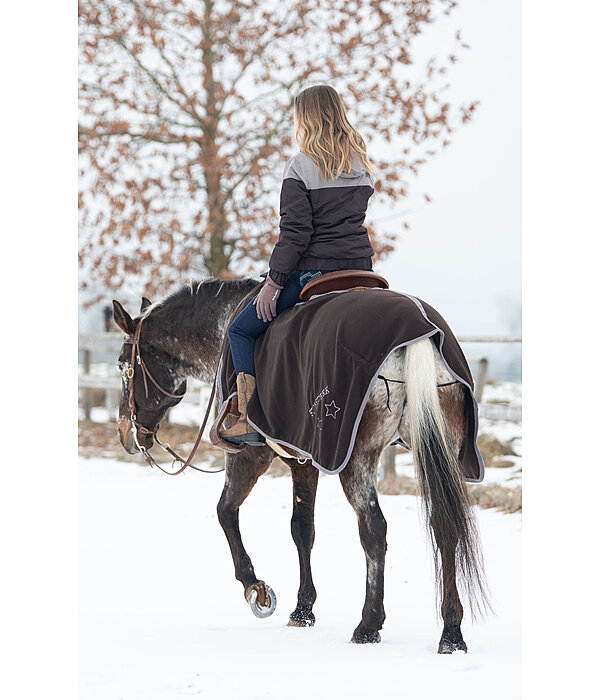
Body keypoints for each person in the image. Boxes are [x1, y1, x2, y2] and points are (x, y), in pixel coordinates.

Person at [220, 84, 376, 445]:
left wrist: (273, 283)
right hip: (361, 270)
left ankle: (248, 419)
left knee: (240, 330)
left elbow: (295, 233)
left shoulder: (300, 166)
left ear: (305, 118)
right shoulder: (361, 163)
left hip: (315, 271)